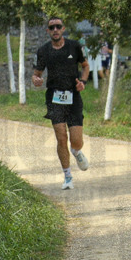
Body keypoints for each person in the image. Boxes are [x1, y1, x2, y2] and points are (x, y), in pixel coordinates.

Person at [32, 16, 90, 190]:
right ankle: (67, 176)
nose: (55, 30)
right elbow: (37, 73)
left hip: (73, 96)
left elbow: (85, 66)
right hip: (54, 98)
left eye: (58, 26)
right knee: (61, 137)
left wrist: (83, 83)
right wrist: (36, 79)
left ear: (63, 29)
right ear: (48, 31)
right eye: (52, 27)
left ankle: (77, 151)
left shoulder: (74, 46)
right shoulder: (43, 51)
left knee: (76, 140)